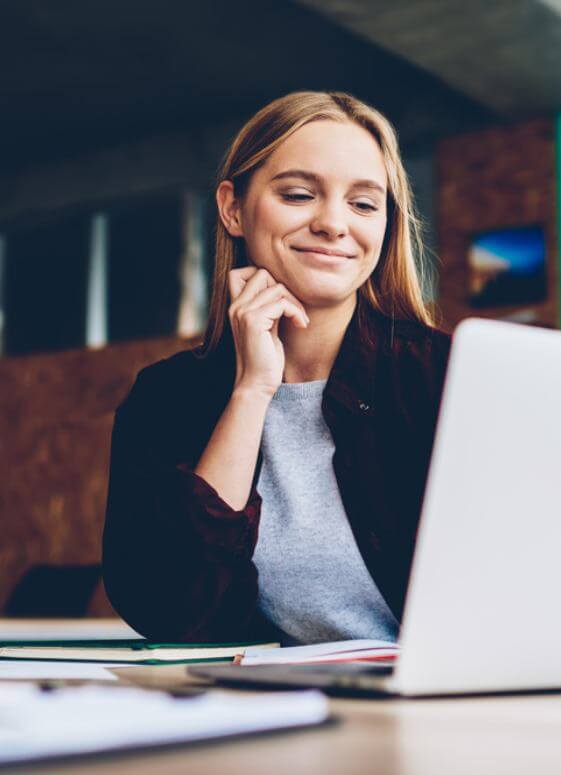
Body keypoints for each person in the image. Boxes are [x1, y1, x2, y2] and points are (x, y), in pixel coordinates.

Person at [103, 91, 451, 644]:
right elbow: (170, 609)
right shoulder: (167, 396)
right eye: (298, 194)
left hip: (449, 709)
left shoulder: (446, 379)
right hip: (273, 712)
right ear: (233, 208)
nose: (334, 223)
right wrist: (251, 391)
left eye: (363, 204)